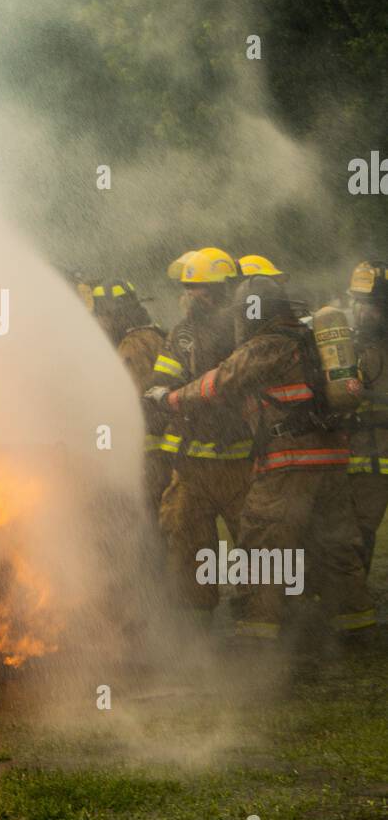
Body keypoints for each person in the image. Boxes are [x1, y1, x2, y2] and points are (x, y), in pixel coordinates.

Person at [146, 276, 376, 641]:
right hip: (331, 459)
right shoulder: (310, 339)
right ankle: (356, 623)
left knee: (260, 543)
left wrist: (169, 399)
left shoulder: (266, 346)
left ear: (253, 313)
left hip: (289, 460)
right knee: (335, 544)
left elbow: (219, 382)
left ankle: (257, 631)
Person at [149, 248, 252, 620]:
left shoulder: (245, 331)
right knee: (185, 538)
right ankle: (194, 620)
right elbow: (162, 380)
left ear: (224, 290)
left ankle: (260, 617)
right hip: (192, 465)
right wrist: (160, 396)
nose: (194, 296)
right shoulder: (181, 334)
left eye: (203, 289)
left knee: (255, 542)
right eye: (190, 288)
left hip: (241, 461)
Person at [92, 280, 170, 515]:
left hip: (147, 452)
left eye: (101, 317)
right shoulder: (152, 335)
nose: (99, 324)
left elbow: (128, 402)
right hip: (159, 447)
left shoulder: (133, 346)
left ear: (111, 314)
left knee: (148, 517)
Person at [347, 260, 388, 574]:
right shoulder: (349, 347)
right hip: (366, 460)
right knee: (356, 534)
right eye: (358, 303)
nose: (362, 313)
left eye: (371, 306)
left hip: (377, 454)